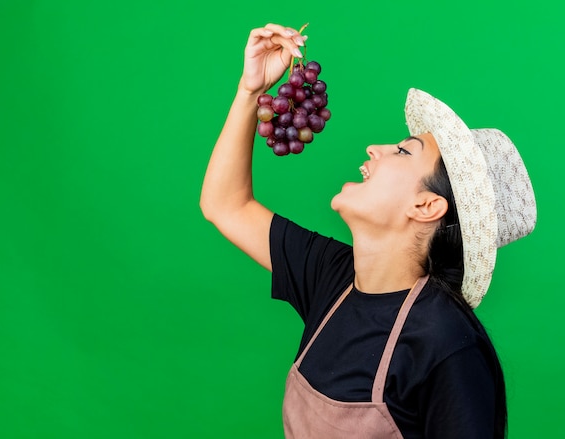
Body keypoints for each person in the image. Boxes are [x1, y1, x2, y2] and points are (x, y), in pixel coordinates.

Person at [200, 23, 537, 439]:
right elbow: (224, 205)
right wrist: (251, 90)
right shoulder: (332, 276)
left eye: (402, 150)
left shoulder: (448, 345)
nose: (374, 148)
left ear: (427, 206)